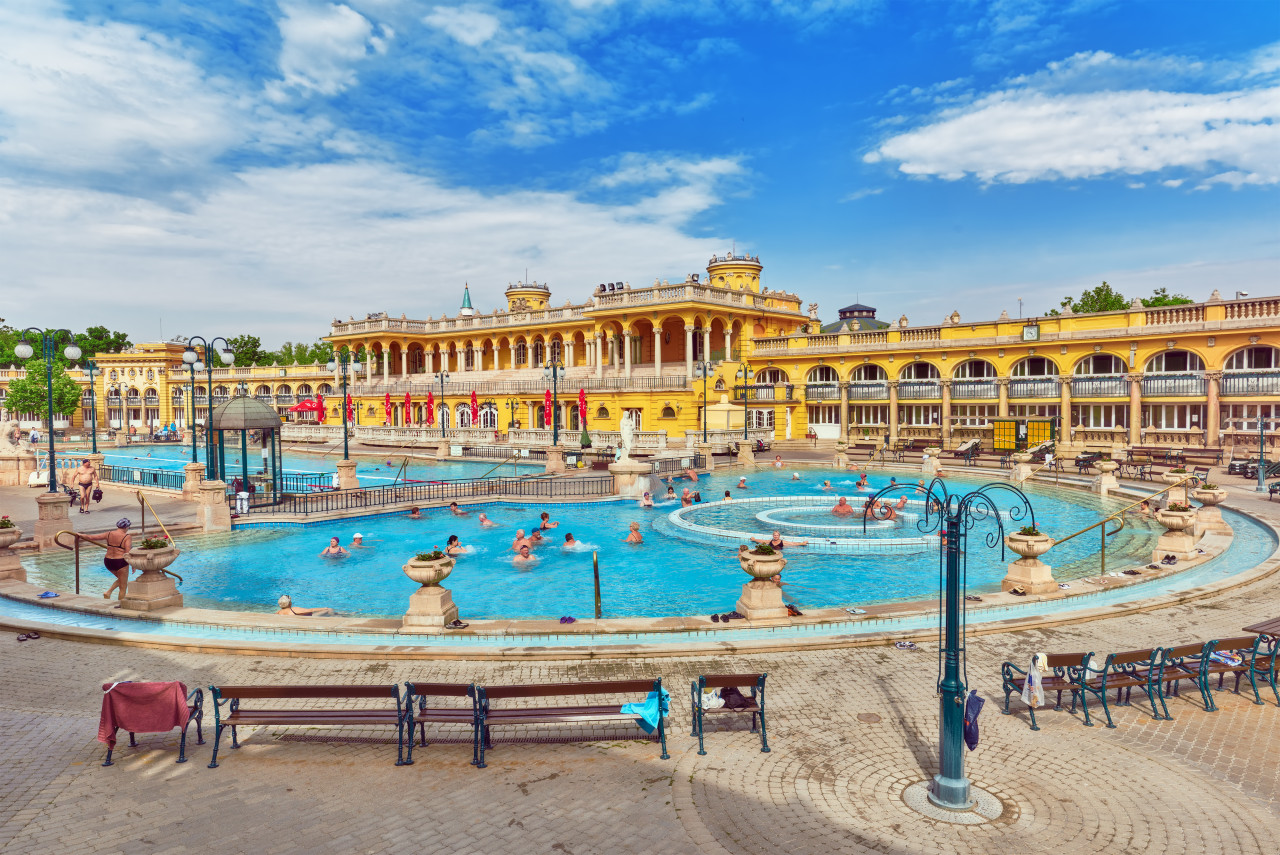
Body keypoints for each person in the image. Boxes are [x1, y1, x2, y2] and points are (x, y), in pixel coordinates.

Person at [84, 518, 132, 601]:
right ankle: (120, 605)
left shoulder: (109, 533)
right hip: (120, 561)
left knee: (121, 580)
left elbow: (91, 537)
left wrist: (79, 535)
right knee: (123, 586)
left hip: (108, 561)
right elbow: (128, 552)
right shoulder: (127, 537)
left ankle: (108, 592)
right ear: (126, 527)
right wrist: (133, 564)